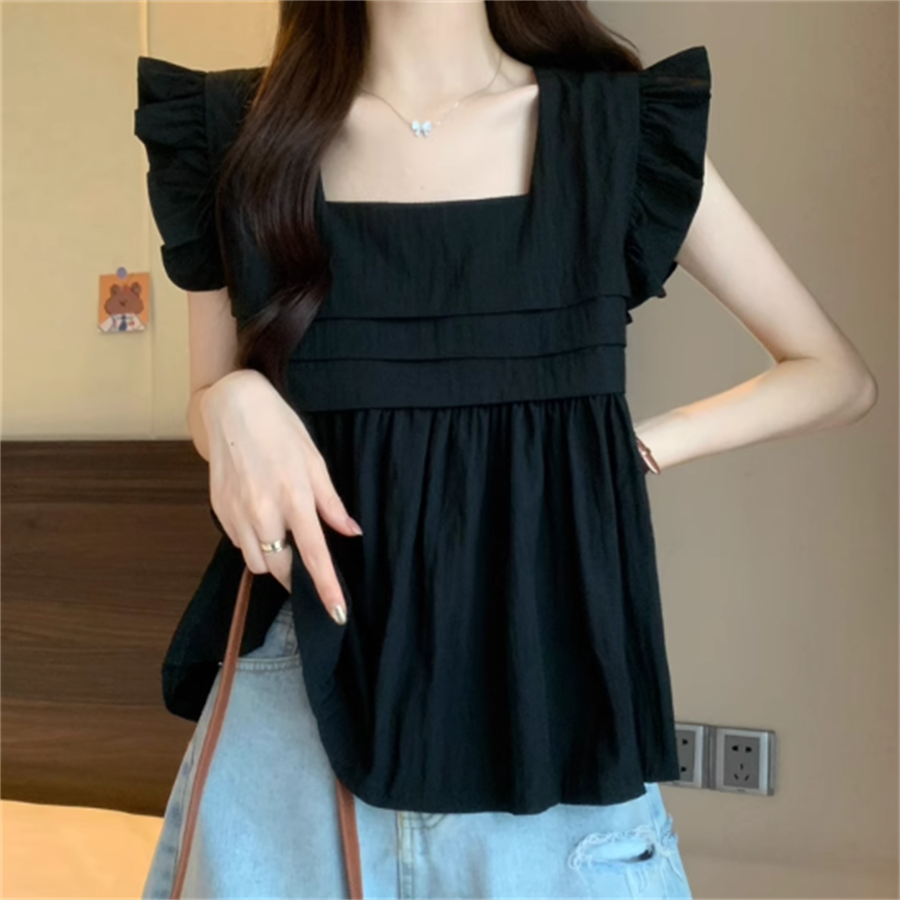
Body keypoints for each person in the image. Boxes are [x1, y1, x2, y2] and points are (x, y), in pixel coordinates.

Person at [133, 1, 878, 897]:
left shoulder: (615, 135)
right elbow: (208, 408)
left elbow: (834, 375)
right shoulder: (239, 138)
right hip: (297, 719)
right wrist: (230, 398)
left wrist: (634, 450)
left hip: (546, 703)